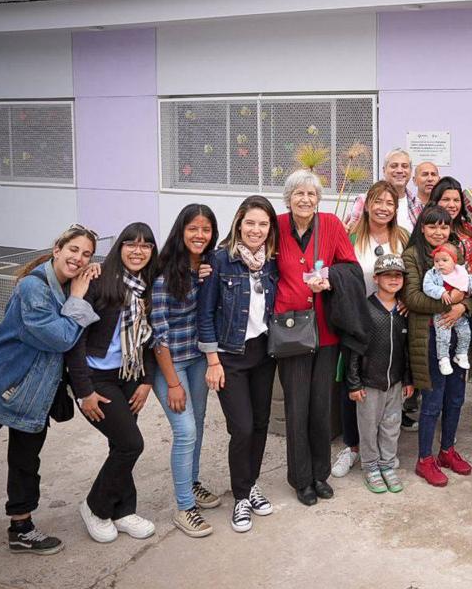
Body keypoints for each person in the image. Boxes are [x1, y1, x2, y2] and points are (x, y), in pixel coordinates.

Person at [0, 225, 99, 555]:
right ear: (57, 249)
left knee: (26, 461)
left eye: (86, 255)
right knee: (25, 459)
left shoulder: (70, 283)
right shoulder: (32, 288)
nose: (79, 258)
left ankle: (21, 528)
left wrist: (97, 272)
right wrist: (79, 298)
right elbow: (62, 337)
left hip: (36, 394)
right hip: (2, 383)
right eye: (73, 250)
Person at [67, 224, 159, 544]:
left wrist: (147, 381)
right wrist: (83, 392)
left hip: (129, 375)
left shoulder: (147, 286)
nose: (138, 251)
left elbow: (148, 340)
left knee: (121, 445)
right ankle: (95, 507)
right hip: (96, 378)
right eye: (131, 244)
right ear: (119, 247)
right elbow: (74, 341)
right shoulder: (97, 280)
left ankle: (123, 511)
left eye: (146, 246)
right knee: (131, 444)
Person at [275, 169, 358, 506]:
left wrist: (330, 279)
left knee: (320, 406)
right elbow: (247, 249)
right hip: (289, 332)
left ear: (318, 199)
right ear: (288, 198)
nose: (305, 199)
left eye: (311, 194)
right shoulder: (275, 225)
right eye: (299, 194)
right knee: (296, 407)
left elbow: (350, 267)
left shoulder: (332, 225)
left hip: (324, 331)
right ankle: (301, 478)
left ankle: (320, 474)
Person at [198, 195, 280, 533]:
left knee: (260, 424)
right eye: (250, 223)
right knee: (242, 427)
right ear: (238, 224)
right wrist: (212, 360)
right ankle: (241, 496)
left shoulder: (273, 261)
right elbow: (205, 314)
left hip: (264, 354)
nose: (256, 230)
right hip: (230, 357)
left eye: (263, 224)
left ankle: (251, 483)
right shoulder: (219, 261)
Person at [150, 204, 221, 538]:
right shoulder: (165, 273)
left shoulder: (207, 266)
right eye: (193, 228)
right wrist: (172, 383)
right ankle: (183, 507)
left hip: (197, 358)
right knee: (186, 431)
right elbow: (158, 334)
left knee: (199, 426)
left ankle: (192, 483)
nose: (200, 235)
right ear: (181, 231)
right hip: (171, 362)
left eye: (206, 229)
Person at [334, 181, 413, 478]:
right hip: (357, 315)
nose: (383, 208)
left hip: (391, 314)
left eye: (389, 203)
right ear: (367, 204)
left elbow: (412, 272)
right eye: (377, 201)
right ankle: (352, 447)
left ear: (396, 209)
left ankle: (382, 453)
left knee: (386, 381)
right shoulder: (352, 234)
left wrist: (405, 299)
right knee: (353, 379)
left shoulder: (403, 236)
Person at [403, 205, 472, 487]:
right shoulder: (412, 256)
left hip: (457, 333)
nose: (438, 232)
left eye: (444, 227)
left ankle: (447, 450)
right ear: (422, 227)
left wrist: (463, 306)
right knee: (433, 401)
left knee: (456, 397)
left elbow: (471, 290)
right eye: (432, 226)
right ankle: (424, 459)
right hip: (429, 336)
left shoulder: (455, 254)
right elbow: (412, 298)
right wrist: (453, 301)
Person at [427, 176, 472, 434]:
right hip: (444, 305)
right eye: (446, 199)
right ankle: (441, 412)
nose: (452, 204)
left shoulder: (468, 226)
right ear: (436, 201)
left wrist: (465, 303)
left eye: (456, 199)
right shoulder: (434, 230)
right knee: (445, 357)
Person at [347, 253, 414, 494]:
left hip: (394, 382)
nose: (394, 280)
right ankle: (371, 467)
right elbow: (354, 348)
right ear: (376, 278)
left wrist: (407, 378)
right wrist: (354, 383)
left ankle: (387, 465)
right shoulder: (365, 308)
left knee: (391, 425)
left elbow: (406, 349)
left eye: (398, 275)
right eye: (388, 275)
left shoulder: (404, 310)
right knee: (368, 426)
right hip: (369, 383)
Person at [423, 243, 472, 375]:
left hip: (459, 314)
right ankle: (443, 358)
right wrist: (440, 292)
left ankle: (461, 353)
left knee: (465, 332)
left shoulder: (461, 273)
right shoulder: (432, 274)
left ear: (454, 261)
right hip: (441, 313)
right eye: (437, 261)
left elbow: (471, 284)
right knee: (443, 335)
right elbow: (427, 286)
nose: (440, 264)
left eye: (445, 260)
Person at [345, 148, 422, 233]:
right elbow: (352, 232)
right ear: (384, 170)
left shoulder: (417, 203)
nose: (400, 170)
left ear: (410, 171)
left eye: (404, 166)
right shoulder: (365, 199)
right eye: (394, 166)